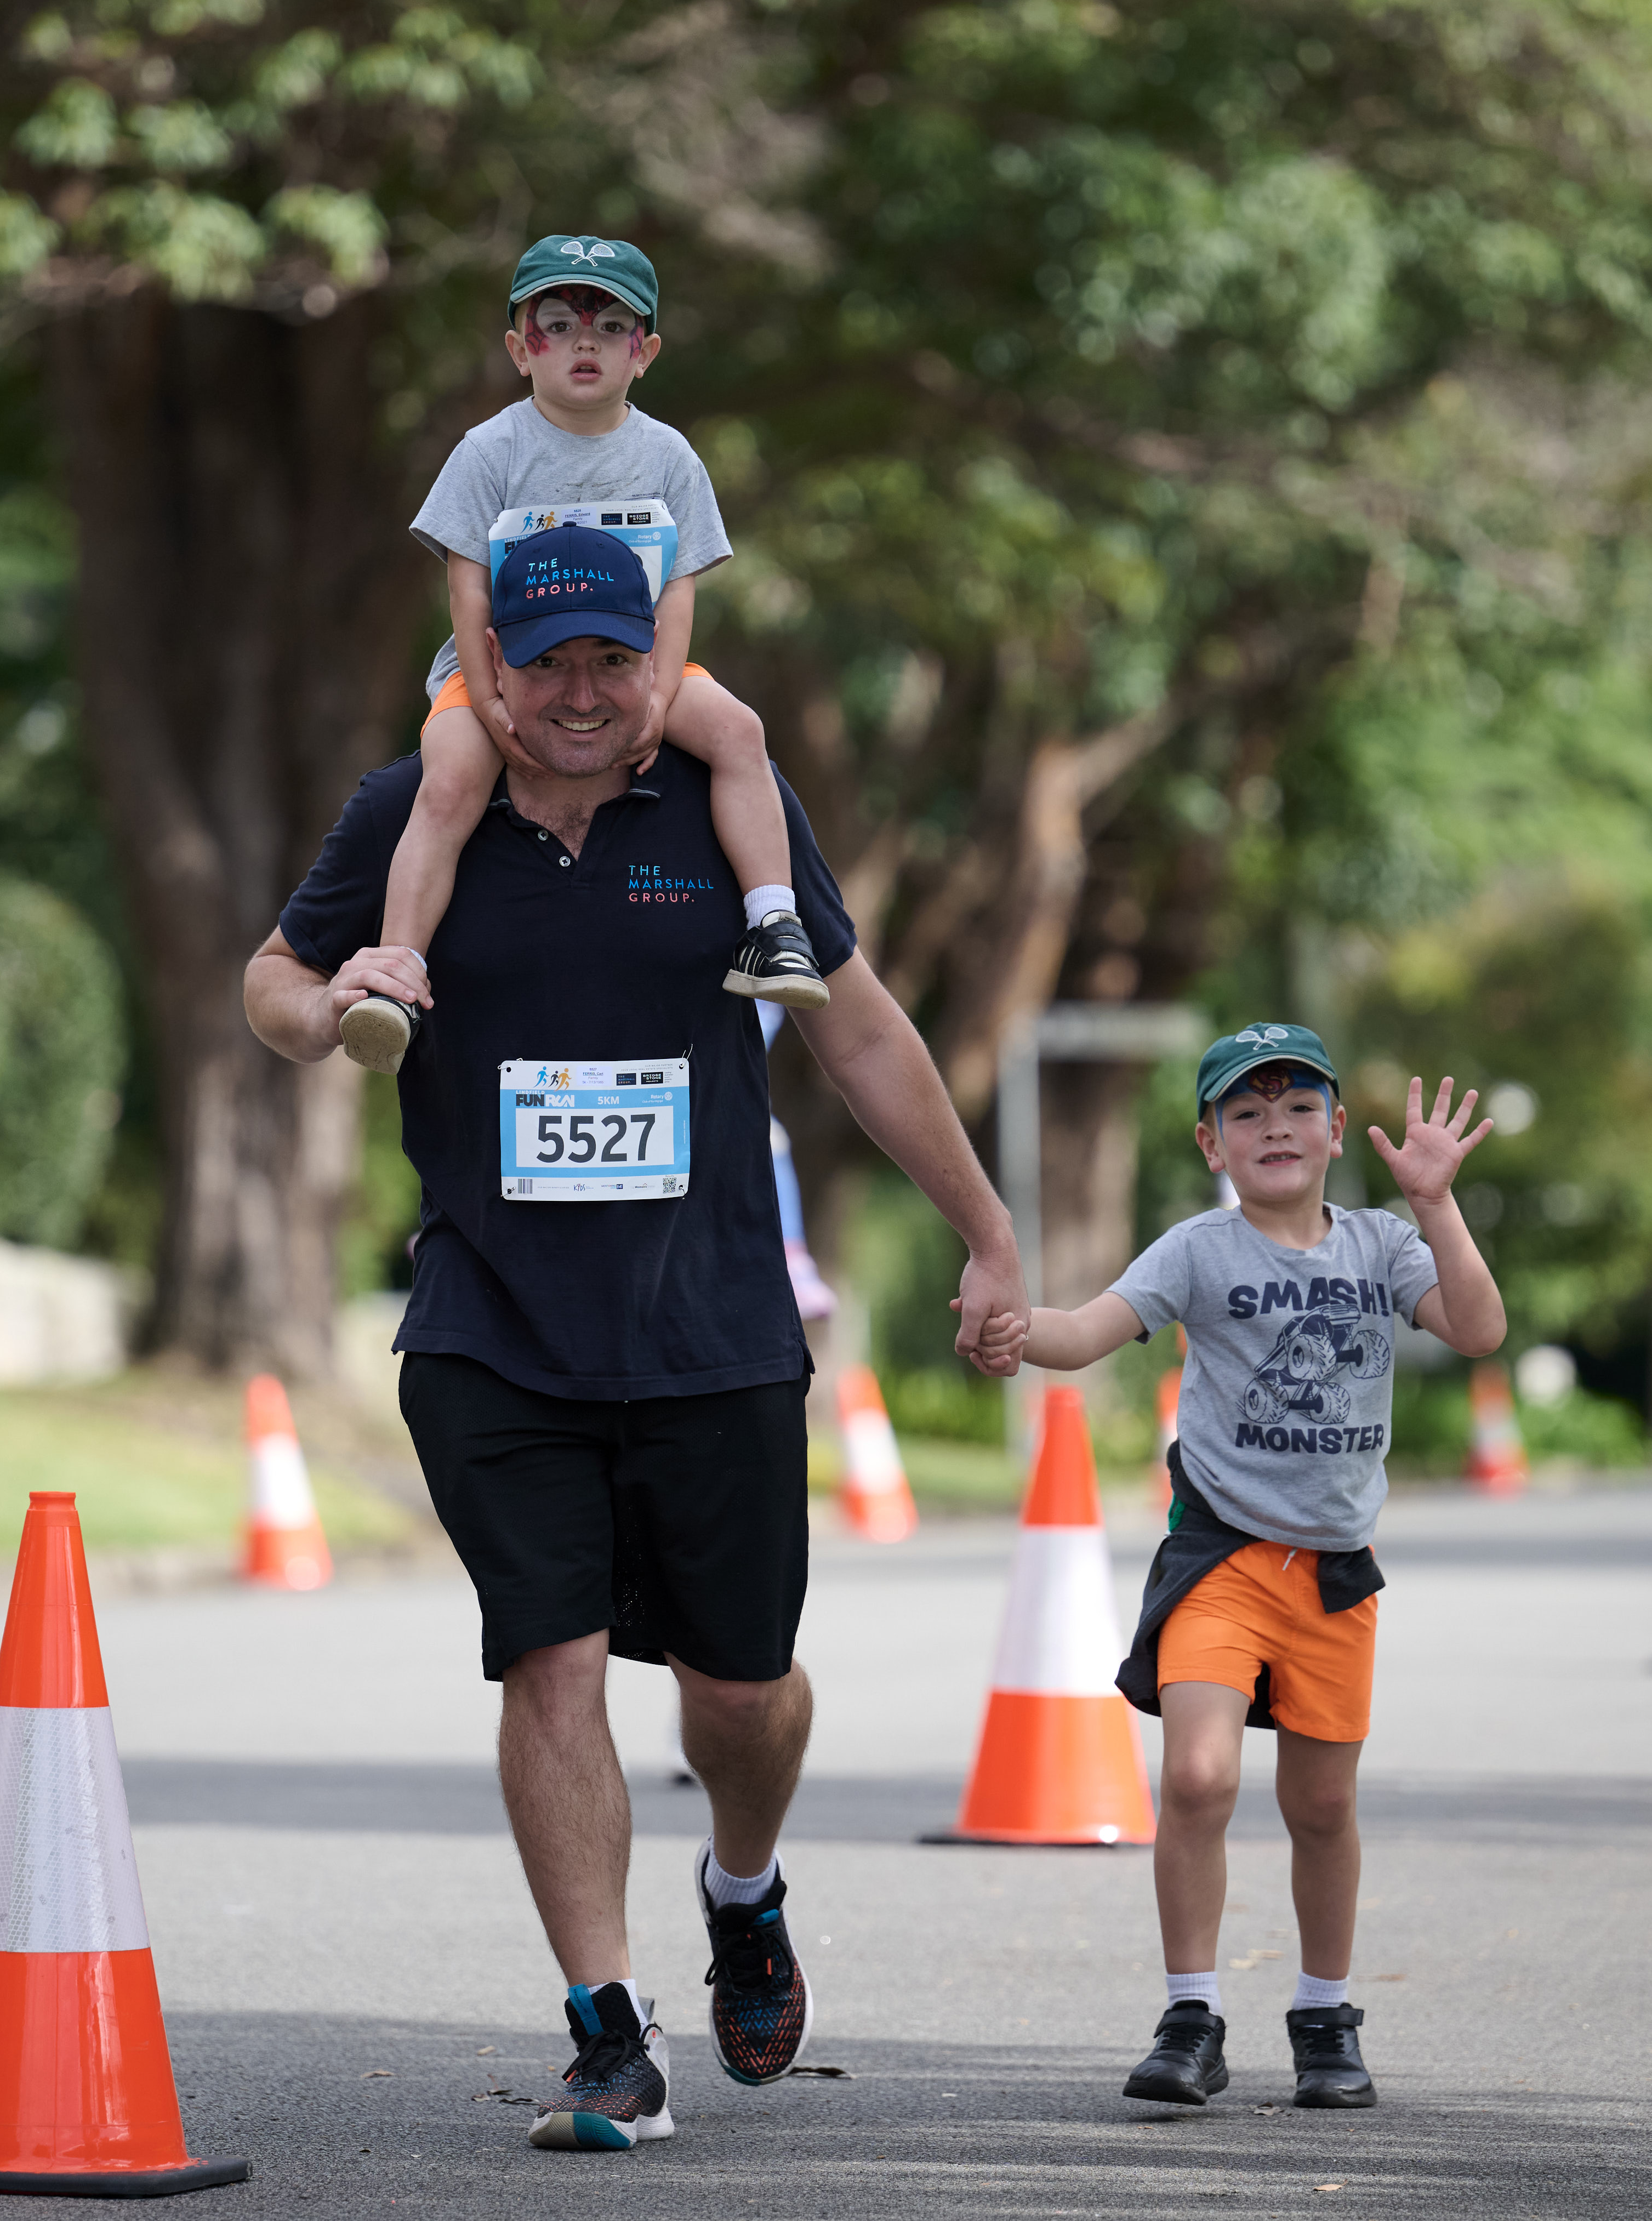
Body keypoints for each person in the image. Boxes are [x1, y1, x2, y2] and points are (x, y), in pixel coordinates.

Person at [243, 610, 1027, 2152]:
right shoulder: (411, 810)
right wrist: (319, 1016)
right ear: (489, 672)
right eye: (547, 667)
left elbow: (858, 1033)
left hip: (713, 1326)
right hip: (491, 1325)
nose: (583, 696)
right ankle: (608, 2032)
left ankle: (744, 1888)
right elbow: (273, 975)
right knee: (554, 1662)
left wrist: (987, 1233)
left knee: (742, 1693)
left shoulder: (726, 809)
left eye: (616, 664)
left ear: (660, 672)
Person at [1013, 1023, 1507, 2115]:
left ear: (1336, 1131)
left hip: (1333, 1570)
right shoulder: (1199, 1251)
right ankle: (1191, 2015)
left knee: (1321, 1804)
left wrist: (1436, 1202)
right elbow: (1089, 1328)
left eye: (1296, 1109)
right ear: (1210, 1143)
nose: (1273, 1127)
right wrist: (1011, 1329)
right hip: (1222, 1556)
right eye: (1246, 1112)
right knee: (1198, 1779)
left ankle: (1326, 2016)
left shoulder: (1383, 1243)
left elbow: (1477, 1328)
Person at [336, 232, 824, 1077]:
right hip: (500, 674)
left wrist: (663, 698)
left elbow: (678, 590)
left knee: (741, 732)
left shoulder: (669, 456)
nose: (584, 342)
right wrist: (487, 702)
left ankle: (774, 924)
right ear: (521, 351)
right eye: (558, 325)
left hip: (639, 674)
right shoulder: (489, 451)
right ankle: (398, 971)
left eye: (610, 327)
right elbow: (468, 585)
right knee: (446, 779)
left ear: (647, 353)